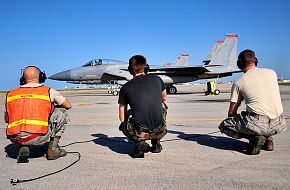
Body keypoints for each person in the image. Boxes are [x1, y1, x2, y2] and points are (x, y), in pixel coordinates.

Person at [219, 49, 287, 155]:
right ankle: (268, 140)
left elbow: (231, 113)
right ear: (255, 61)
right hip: (279, 124)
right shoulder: (272, 73)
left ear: (240, 63)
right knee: (256, 113)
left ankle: (255, 138)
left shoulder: (240, 82)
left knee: (224, 125)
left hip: (259, 124)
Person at [4, 66, 72, 163]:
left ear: (23, 78)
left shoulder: (10, 94)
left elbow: (7, 119)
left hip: (16, 138)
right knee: (61, 112)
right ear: (41, 77)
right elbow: (68, 106)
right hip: (38, 137)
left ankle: (24, 147)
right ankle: (53, 150)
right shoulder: (48, 91)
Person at [118, 55, 168, 158]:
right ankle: (156, 142)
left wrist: (127, 119)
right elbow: (164, 98)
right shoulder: (157, 79)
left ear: (130, 70)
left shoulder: (125, 88)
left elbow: (122, 116)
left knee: (124, 122)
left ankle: (139, 142)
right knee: (162, 106)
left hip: (140, 132)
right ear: (146, 67)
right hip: (161, 130)